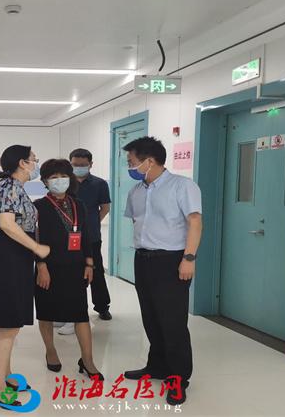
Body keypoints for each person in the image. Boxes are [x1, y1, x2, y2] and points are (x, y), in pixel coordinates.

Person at [122, 137, 202, 406]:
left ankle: (178, 378)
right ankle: (157, 366)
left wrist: (189, 258)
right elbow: (137, 222)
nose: (130, 167)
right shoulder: (136, 191)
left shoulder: (182, 186)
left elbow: (195, 222)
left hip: (172, 261)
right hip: (143, 259)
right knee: (151, 317)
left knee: (173, 322)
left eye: (132, 162)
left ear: (150, 161)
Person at [0, 145, 50, 409]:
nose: (35, 164)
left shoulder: (12, 186)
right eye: (34, 159)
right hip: (8, 257)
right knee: (9, 324)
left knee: (9, 322)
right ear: (22, 163)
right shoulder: (9, 186)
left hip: (14, 257)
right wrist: (37, 248)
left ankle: (4, 374)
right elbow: (6, 223)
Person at [34, 159, 103, 380]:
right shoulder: (39, 206)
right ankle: (50, 351)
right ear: (45, 181)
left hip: (76, 266)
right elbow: (36, 239)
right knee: (46, 311)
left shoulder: (78, 204)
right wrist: (41, 265)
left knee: (80, 313)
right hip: (49, 267)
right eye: (53, 177)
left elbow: (86, 235)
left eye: (63, 176)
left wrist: (89, 263)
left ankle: (88, 360)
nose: (59, 180)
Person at [70, 149, 112, 324]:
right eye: (75, 165)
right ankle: (73, 308)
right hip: (70, 237)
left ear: (90, 164)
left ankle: (102, 307)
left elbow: (105, 208)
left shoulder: (99, 184)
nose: (79, 167)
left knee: (96, 272)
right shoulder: (65, 183)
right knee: (72, 273)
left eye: (83, 165)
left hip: (92, 237)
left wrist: (92, 223)